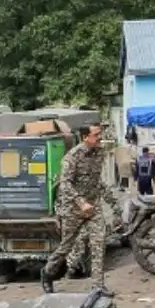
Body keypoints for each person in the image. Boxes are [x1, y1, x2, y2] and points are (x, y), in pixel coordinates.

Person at [42, 124, 109, 292]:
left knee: (99, 244)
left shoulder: (100, 152)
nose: (100, 137)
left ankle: (98, 287)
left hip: (93, 206)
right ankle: (48, 274)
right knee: (66, 246)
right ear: (86, 137)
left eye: (100, 133)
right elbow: (65, 184)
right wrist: (81, 203)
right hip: (73, 207)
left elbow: (96, 180)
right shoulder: (72, 157)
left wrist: (106, 201)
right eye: (96, 134)